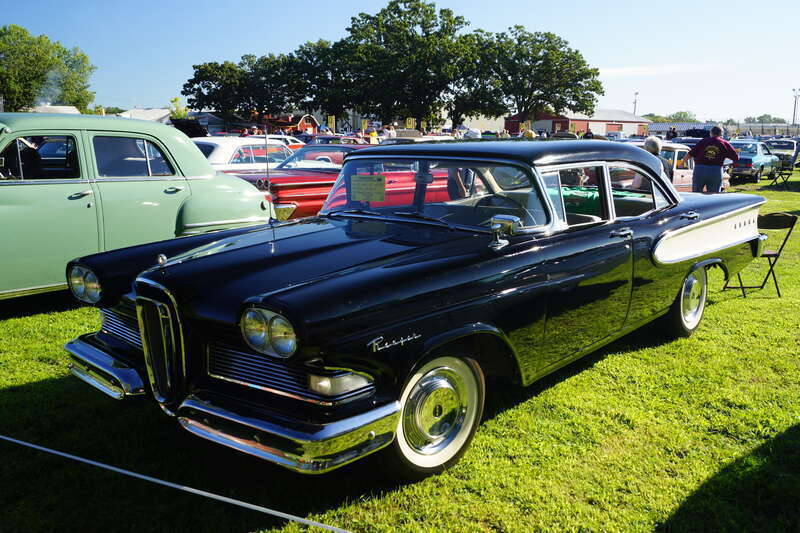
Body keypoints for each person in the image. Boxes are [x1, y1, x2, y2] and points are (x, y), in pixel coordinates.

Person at [684, 125, 738, 193]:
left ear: (710, 133)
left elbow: (690, 154)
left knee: (696, 193)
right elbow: (736, 157)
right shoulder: (724, 143)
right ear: (722, 134)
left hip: (700, 170)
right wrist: (724, 155)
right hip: (716, 170)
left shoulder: (703, 141)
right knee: (713, 195)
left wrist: (683, 162)